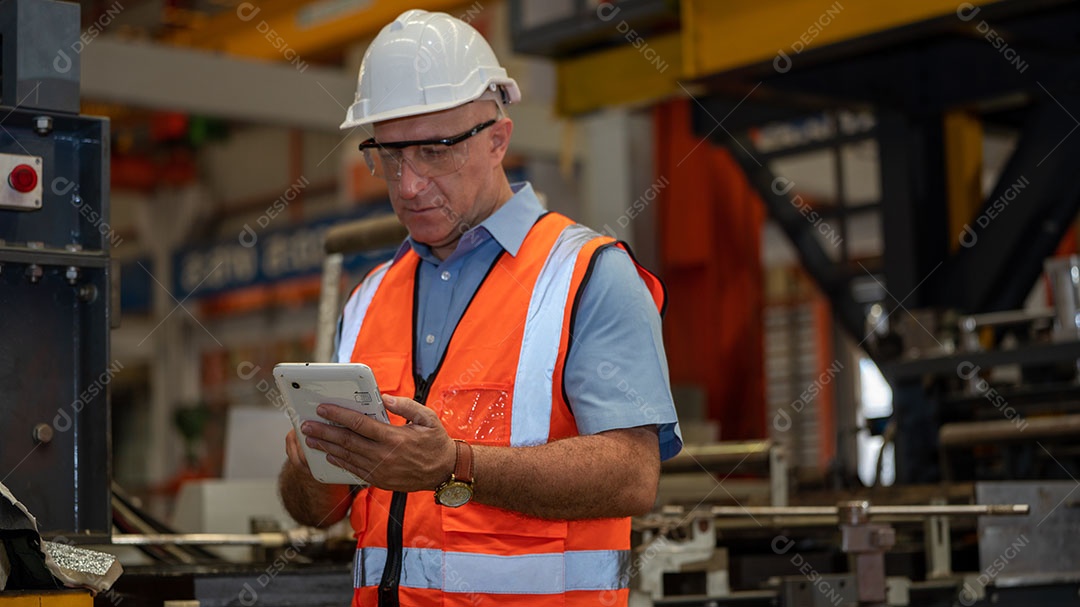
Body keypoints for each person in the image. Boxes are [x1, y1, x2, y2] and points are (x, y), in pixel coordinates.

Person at [278, 9, 682, 607]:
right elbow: (321, 515)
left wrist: (456, 466)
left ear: (498, 140)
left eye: (435, 152)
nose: (408, 184)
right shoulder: (367, 299)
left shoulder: (588, 274)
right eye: (388, 155)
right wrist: (310, 471)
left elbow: (631, 474)